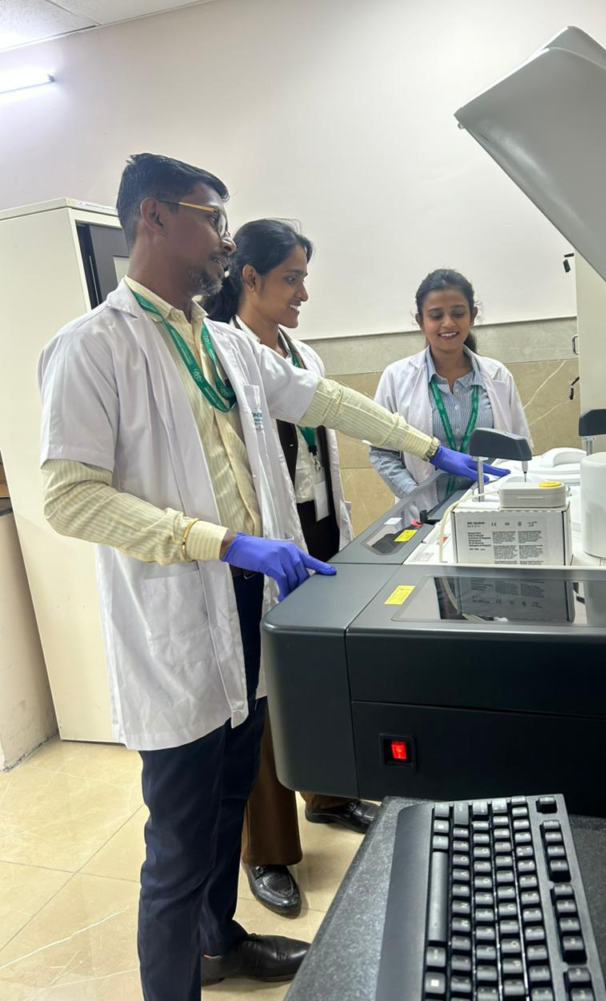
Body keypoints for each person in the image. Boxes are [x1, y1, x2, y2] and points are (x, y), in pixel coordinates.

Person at [38, 154, 506, 1001]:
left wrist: (431, 447)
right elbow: (71, 499)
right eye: (211, 219)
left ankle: (219, 942)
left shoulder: (224, 344)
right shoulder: (92, 347)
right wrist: (221, 542)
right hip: (181, 620)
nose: (225, 240)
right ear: (153, 218)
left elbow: (325, 401)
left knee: (228, 806)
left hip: (251, 613)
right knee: (178, 845)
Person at [205, 218, 377, 919]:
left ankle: (328, 794)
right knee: (261, 697)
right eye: (291, 278)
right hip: (259, 546)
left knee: (317, 674)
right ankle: (268, 852)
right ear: (250, 277)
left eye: (304, 278)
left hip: (317, 528)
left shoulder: (301, 353)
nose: (303, 292)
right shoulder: (224, 354)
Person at [370, 269, 531, 520]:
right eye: (436, 316)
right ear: (420, 321)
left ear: (472, 316)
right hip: (425, 515)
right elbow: (382, 452)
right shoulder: (395, 378)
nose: (448, 323)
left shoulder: (498, 376)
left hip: (491, 512)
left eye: (458, 314)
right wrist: (415, 496)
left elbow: (519, 448)